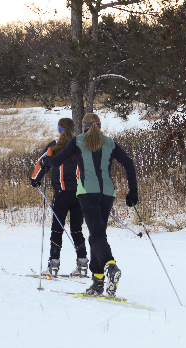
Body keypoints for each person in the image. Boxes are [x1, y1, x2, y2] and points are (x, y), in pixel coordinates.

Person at [40, 113, 138, 297]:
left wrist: (45, 160)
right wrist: (133, 192)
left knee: (97, 234)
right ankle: (98, 282)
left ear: (83, 126)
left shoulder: (78, 141)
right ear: (100, 126)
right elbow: (129, 163)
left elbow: (57, 161)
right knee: (96, 235)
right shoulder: (110, 142)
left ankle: (110, 265)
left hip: (87, 194)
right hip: (108, 193)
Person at [30, 118, 88, 278]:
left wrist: (35, 179)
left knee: (57, 229)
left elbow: (41, 164)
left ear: (59, 129)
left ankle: (53, 266)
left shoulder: (53, 146)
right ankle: (83, 265)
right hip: (79, 195)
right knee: (77, 229)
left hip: (61, 193)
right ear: (74, 130)